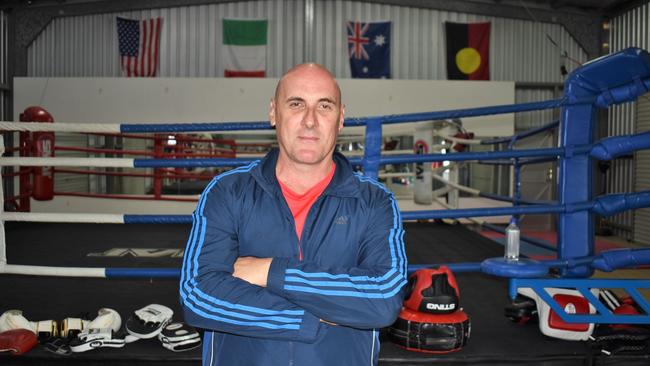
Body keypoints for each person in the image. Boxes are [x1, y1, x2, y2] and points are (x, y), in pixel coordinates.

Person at [180, 63, 407, 365]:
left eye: (324, 106)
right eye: (296, 104)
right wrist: (307, 319)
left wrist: (270, 272)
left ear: (340, 118)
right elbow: (198, 295)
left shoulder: (376, 202)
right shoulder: (227, 192)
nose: (310, 121)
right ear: (274, 113)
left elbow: (383, 300)